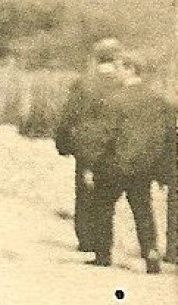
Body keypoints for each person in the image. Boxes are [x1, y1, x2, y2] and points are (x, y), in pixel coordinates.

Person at [91, 55, 173, 273]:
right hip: (144, 167)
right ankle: (151, 255)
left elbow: (106, 135)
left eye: (119, 68)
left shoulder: (115, 100)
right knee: (143, 211)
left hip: (116, 165)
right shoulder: (158, 101)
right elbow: (166, 138)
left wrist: (96, 162)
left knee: (103, 206)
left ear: (130, 69)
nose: (116, 72)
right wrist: (161, 169)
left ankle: (102, 254)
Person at [55, 39, 128, 257]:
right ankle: (103, 241)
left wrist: (63, 143)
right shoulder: (122, 83)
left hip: (86, 146)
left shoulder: (84, 82)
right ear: (116, 59)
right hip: (115, 146)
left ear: (96, 58)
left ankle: (86, 238)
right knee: (107, 193)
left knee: (84, 190)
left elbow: (69, 116)